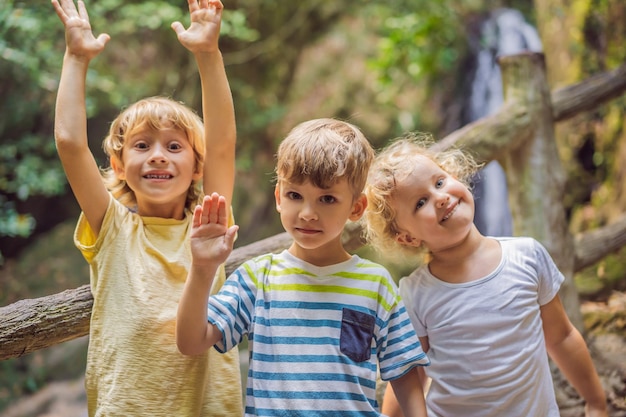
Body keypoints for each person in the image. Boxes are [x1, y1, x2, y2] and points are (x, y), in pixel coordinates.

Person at [52, 0, 242, 415]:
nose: (158, 156)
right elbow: (69, 143)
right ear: (119, 165)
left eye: (175, 147)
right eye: (142, 146)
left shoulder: (208, 221)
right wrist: (75, 57)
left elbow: (224, 143)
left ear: (198, 166)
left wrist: (208, 55)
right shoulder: (112, 228)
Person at [176, 118, 430, 416]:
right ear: (278, 198)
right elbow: (191, 342)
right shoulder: (258, 278)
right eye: (295, 196)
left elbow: (402, 370)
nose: (308, 213)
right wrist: (203, 268)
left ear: (356, 208)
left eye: (327, 199)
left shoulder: (376, 283)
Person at [363, 133, 608, 417]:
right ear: (406, 238)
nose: (441, 198)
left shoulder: (527, 256)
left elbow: (562, 337)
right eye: (420, 203)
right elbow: (410, 377)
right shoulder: (416, 293)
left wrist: (596, 403)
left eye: (440, 182)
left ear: (455, 175)